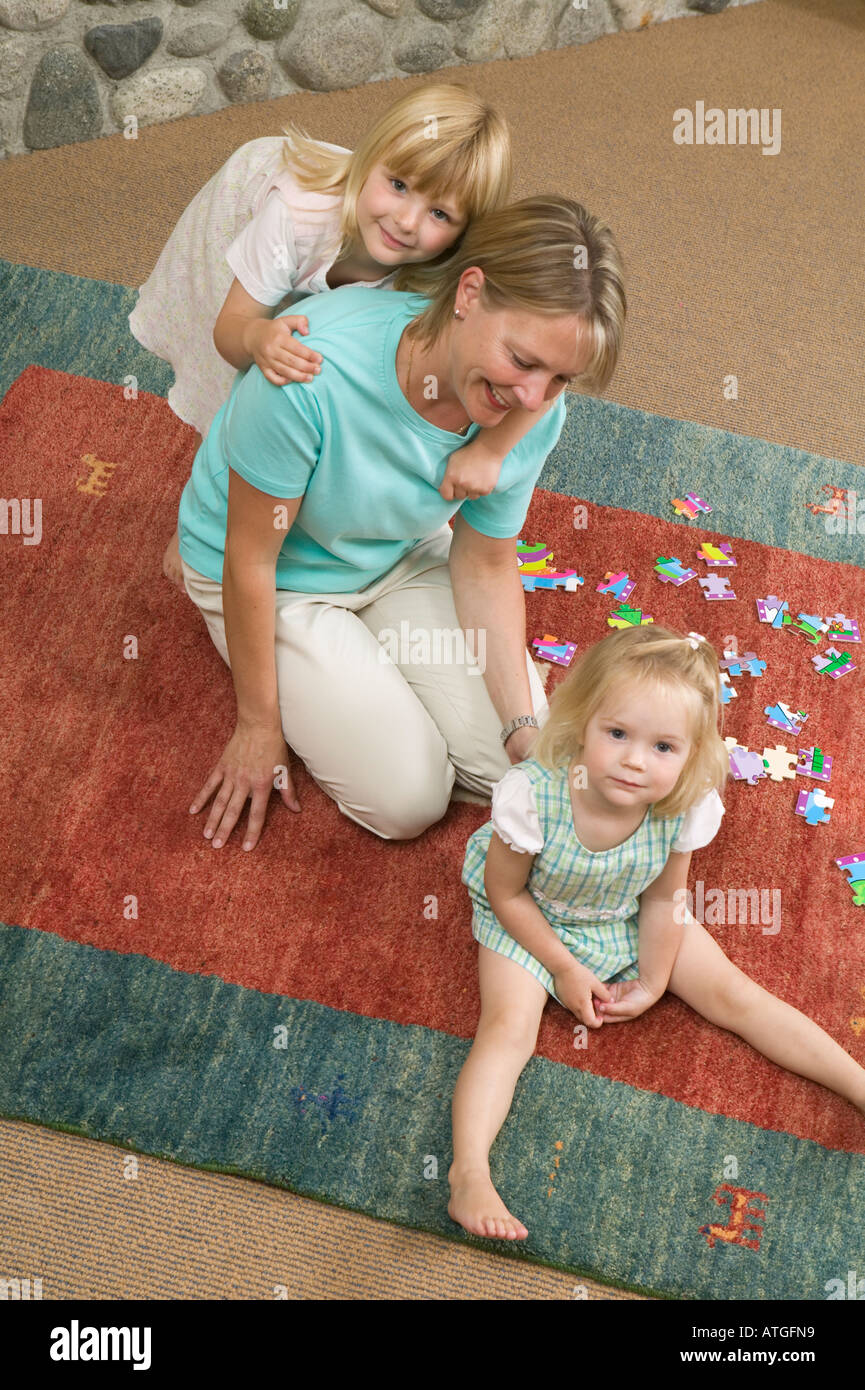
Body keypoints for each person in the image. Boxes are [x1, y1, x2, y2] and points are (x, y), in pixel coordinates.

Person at [176, 194, 627, 855]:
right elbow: (250, 560)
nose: (532, 397)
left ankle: (388, 675)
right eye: (522, 361)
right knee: (407, 800)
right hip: (279, 582)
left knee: (528, 766)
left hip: (399, 553)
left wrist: (523, 727)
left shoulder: (531, 412)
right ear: (468, 292)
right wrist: (257, 725)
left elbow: (484, 562)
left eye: (559, 379)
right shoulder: (310, 371)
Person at [450, 626, 865, 1240]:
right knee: (508, 1030)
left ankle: (858, 1084)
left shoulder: (683, 804)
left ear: (692, 756)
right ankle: (468, 1174)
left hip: (628, 907)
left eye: (664, 747)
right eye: (617, 734)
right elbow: (507, 894)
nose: (635, 760)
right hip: (533, 919)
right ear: (582, 722)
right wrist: (562, 967)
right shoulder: (533, 797)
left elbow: (667, 897)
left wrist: (653, 978)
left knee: (735, 993)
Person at [128, 84, 550, 585]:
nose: (407, 220)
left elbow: (552, 362)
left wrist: (491, 451)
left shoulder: (452, 270)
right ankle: (201, 522)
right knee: (240, 381)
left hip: (341, 259)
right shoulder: (295, 215)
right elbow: (229, 331)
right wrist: (258, 338)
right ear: (371, 158)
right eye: (397, 184)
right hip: (250, 218)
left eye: (440, 214)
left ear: (464, 232)